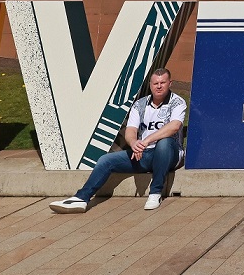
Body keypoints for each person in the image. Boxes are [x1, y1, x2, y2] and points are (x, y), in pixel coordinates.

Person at [49, 67, 186, 212]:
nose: (159, 86)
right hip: (145, 154)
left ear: (170, 83)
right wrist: (134, 143)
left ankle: (155, 193)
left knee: (164, 143)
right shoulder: (140, 104)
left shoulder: (177, 102)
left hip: (169, 155)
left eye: (162, 83)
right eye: (155, 83)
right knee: (106, 160)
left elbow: (174, 126)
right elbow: (130, 130)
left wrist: (146, 141)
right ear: (150, 85)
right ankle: (81, 199)